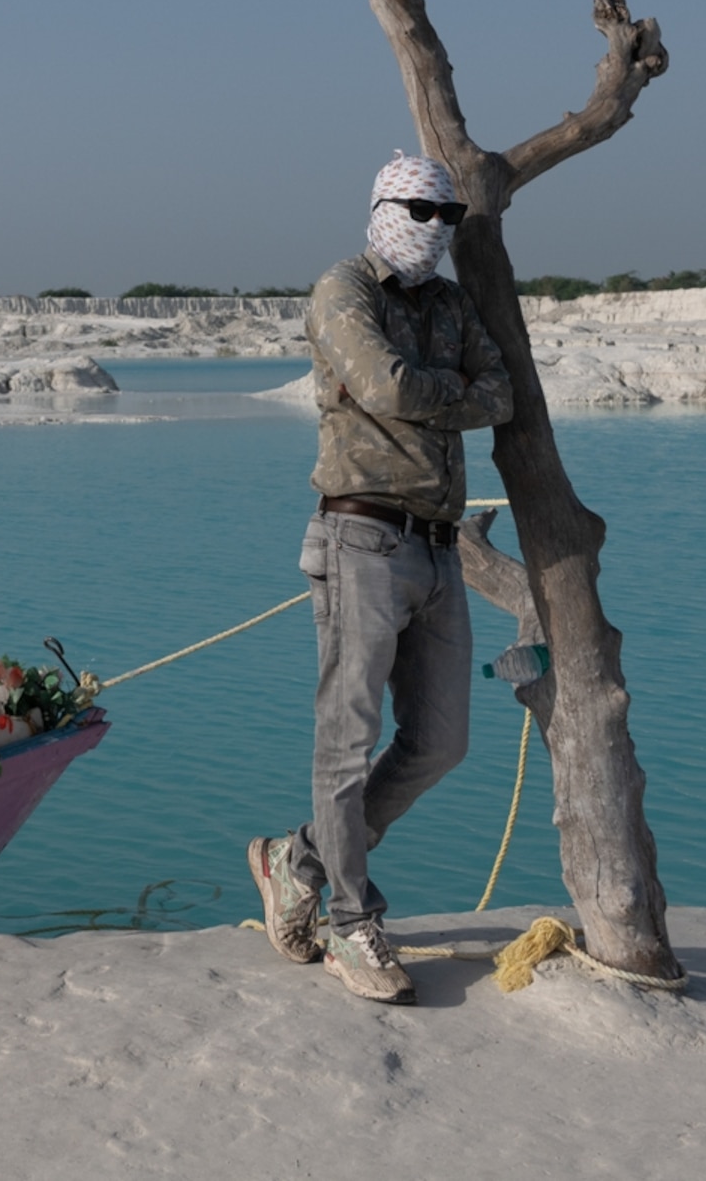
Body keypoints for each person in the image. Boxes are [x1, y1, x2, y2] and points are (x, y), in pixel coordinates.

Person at [247, 150, 513, 1003]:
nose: (436, 229)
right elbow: (384, 385)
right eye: (421, 211)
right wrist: (451, 389)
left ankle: (299, 858)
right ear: (385, 208)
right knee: (347, 738)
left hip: (436, 544)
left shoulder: (450, 303)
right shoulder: (343, 289)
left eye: (449, 216)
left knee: (441, 741)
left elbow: (501, 393)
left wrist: (437, 390)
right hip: (360, 537)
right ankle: (351, 921)